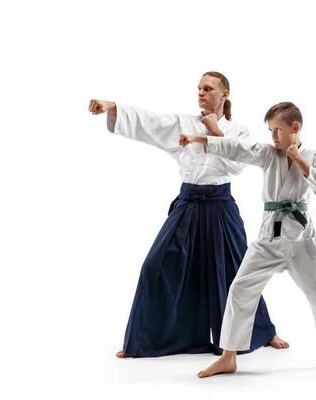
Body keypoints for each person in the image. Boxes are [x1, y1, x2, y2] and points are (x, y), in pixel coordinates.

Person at [88, 72, 288, 358]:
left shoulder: (238, 130)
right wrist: (113, 107)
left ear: (225, 94)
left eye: (208, 88)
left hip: (221, 206)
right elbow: (150, 122)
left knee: (238, 271)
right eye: (199, 88)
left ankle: (262, 331)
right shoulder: (183, 124)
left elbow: (237, 167)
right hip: (189, 203)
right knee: (154, 268)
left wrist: (214, 131)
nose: (201, 93)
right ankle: (146, 340)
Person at [179, 101, 316, 376]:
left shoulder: (313, 155)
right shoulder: (268, 154)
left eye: (277, 131)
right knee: (240, 290)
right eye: (270, 131)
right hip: (268, 238)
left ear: (294, 128)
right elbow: (237, 149)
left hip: (302, 239)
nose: (273, 136)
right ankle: (229, 357)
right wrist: (201, 138)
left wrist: (299, 159)